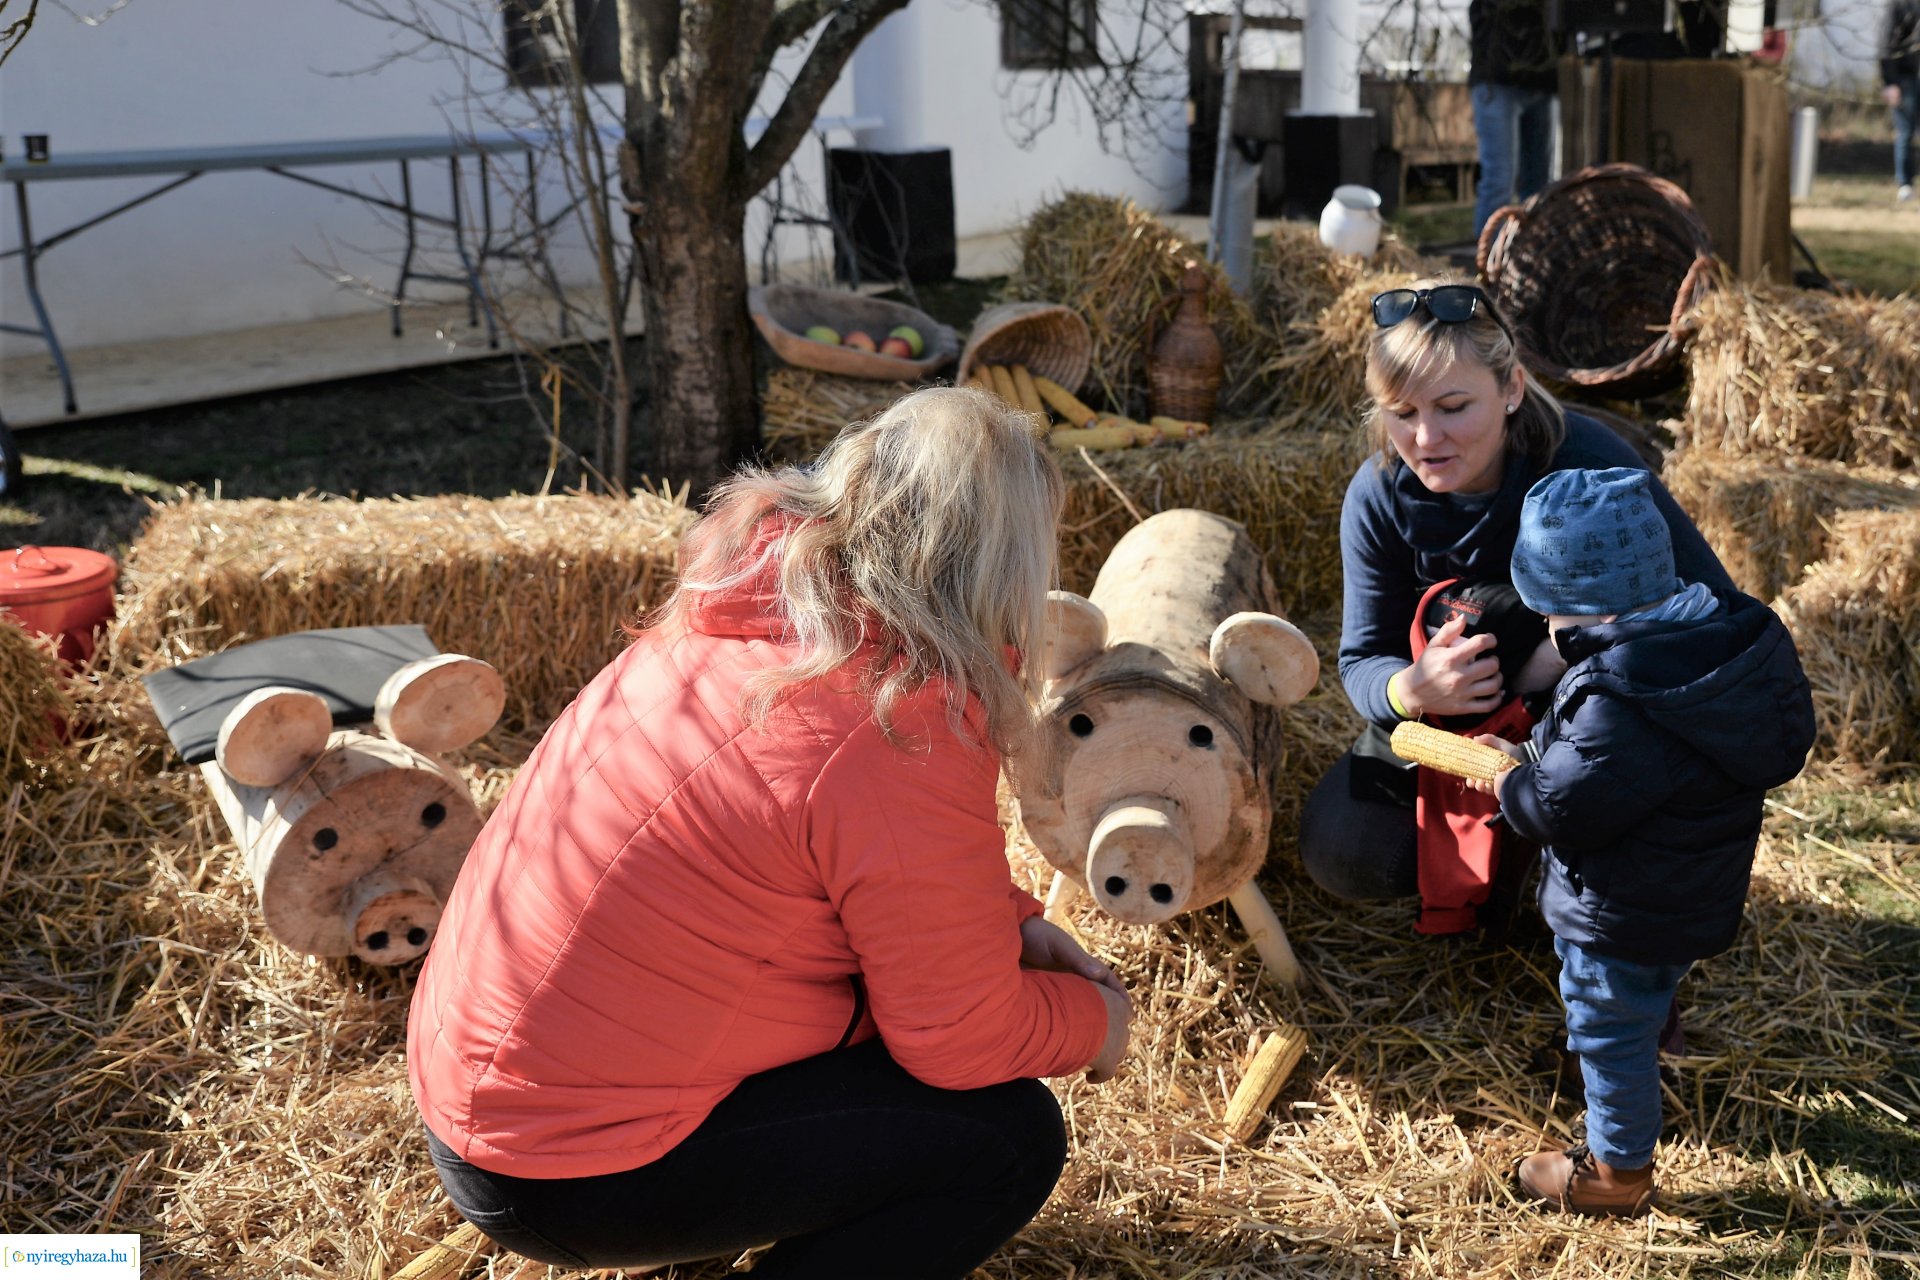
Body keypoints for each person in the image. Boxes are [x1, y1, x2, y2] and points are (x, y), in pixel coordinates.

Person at [407, 386, 1132, 1278]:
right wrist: (1095, 1023)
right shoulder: (900, 723)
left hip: (485, 1099)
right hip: (570, 1169)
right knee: (1005, 1139)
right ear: (1001, 569)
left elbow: (868, 865)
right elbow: (956, 1037)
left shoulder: (740, 626)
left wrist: (1011, 922)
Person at [1296, 278, 1737, 926]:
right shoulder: (1378, 493)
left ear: (1512, 390)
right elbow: (1361, 657)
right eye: (1402, 411)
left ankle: (1563, 883)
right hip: (1446, 722)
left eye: (1452, 406)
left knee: (1610, 831)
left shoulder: (1588, 466)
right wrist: (1410, 690)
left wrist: (1565, 655)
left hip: (1588, 714)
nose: (1424, 438)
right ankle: (1503, 872)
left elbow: (1711, 609)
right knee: (1345, 850)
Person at [1464, 467, 1814, 1215]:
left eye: (1552, 617)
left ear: (1583, 611)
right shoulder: (1713, 639)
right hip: (1689, 885)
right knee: (1637, 1001)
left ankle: (1615, 1175)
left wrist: (1505, 779)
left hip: (1622, 907)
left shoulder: (1624, 699)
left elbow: (1560, 806)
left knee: (1606, 1019)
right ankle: (1629, 1063)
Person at [1468, 0, 1559, 239]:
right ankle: (1487, 262)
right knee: (1500, 178)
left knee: (1540, 182)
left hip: (1542, 83)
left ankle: (1534, 252)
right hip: (1495, 81)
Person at [1882, 0, 1920, 202]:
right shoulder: (1898, 5)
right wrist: (1890, 82)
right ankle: (1905, 184)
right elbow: (1886, 42)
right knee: (1906, 132)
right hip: (1905, 78)